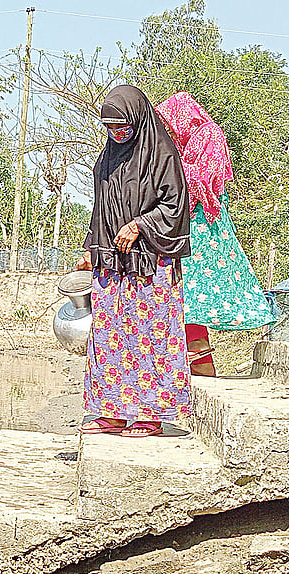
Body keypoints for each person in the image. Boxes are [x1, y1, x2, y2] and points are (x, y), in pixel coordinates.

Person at [76, 84, 193, 439]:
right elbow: (103, 207)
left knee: (150, 337)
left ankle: (150, 414)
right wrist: (92, 247)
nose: (117, 133)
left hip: (151, 263)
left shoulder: (162, 156)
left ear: (139, 120)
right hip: (112, 263)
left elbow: (175, 206)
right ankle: (110, 412)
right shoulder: (108, 158)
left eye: (123, 126)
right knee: (109, 336)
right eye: (110, 127)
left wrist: (141, 225)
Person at [153, 92, 276, 375]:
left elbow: (203, 180)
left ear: (183, 117)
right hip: (185, 221)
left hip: (204, 224)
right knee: (186, 294)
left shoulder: (210, 135)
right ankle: (197, 366)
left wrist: (169, 172)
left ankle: (199, 361)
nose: (169, 131)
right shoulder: (184, 145)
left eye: (171, 125)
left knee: (197, 288)